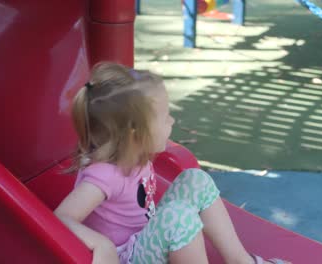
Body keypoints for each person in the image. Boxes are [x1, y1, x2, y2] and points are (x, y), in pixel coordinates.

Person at [54, 62, 289, 264]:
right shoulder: (104, 175)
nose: (172, 120)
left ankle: (241, 261)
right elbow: (60, 218)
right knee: (179, 216)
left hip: (144, 239)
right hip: (126, 257)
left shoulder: (133, 153)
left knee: (195, 180)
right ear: (136, 133)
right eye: (165, 116)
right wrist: (101, 244)